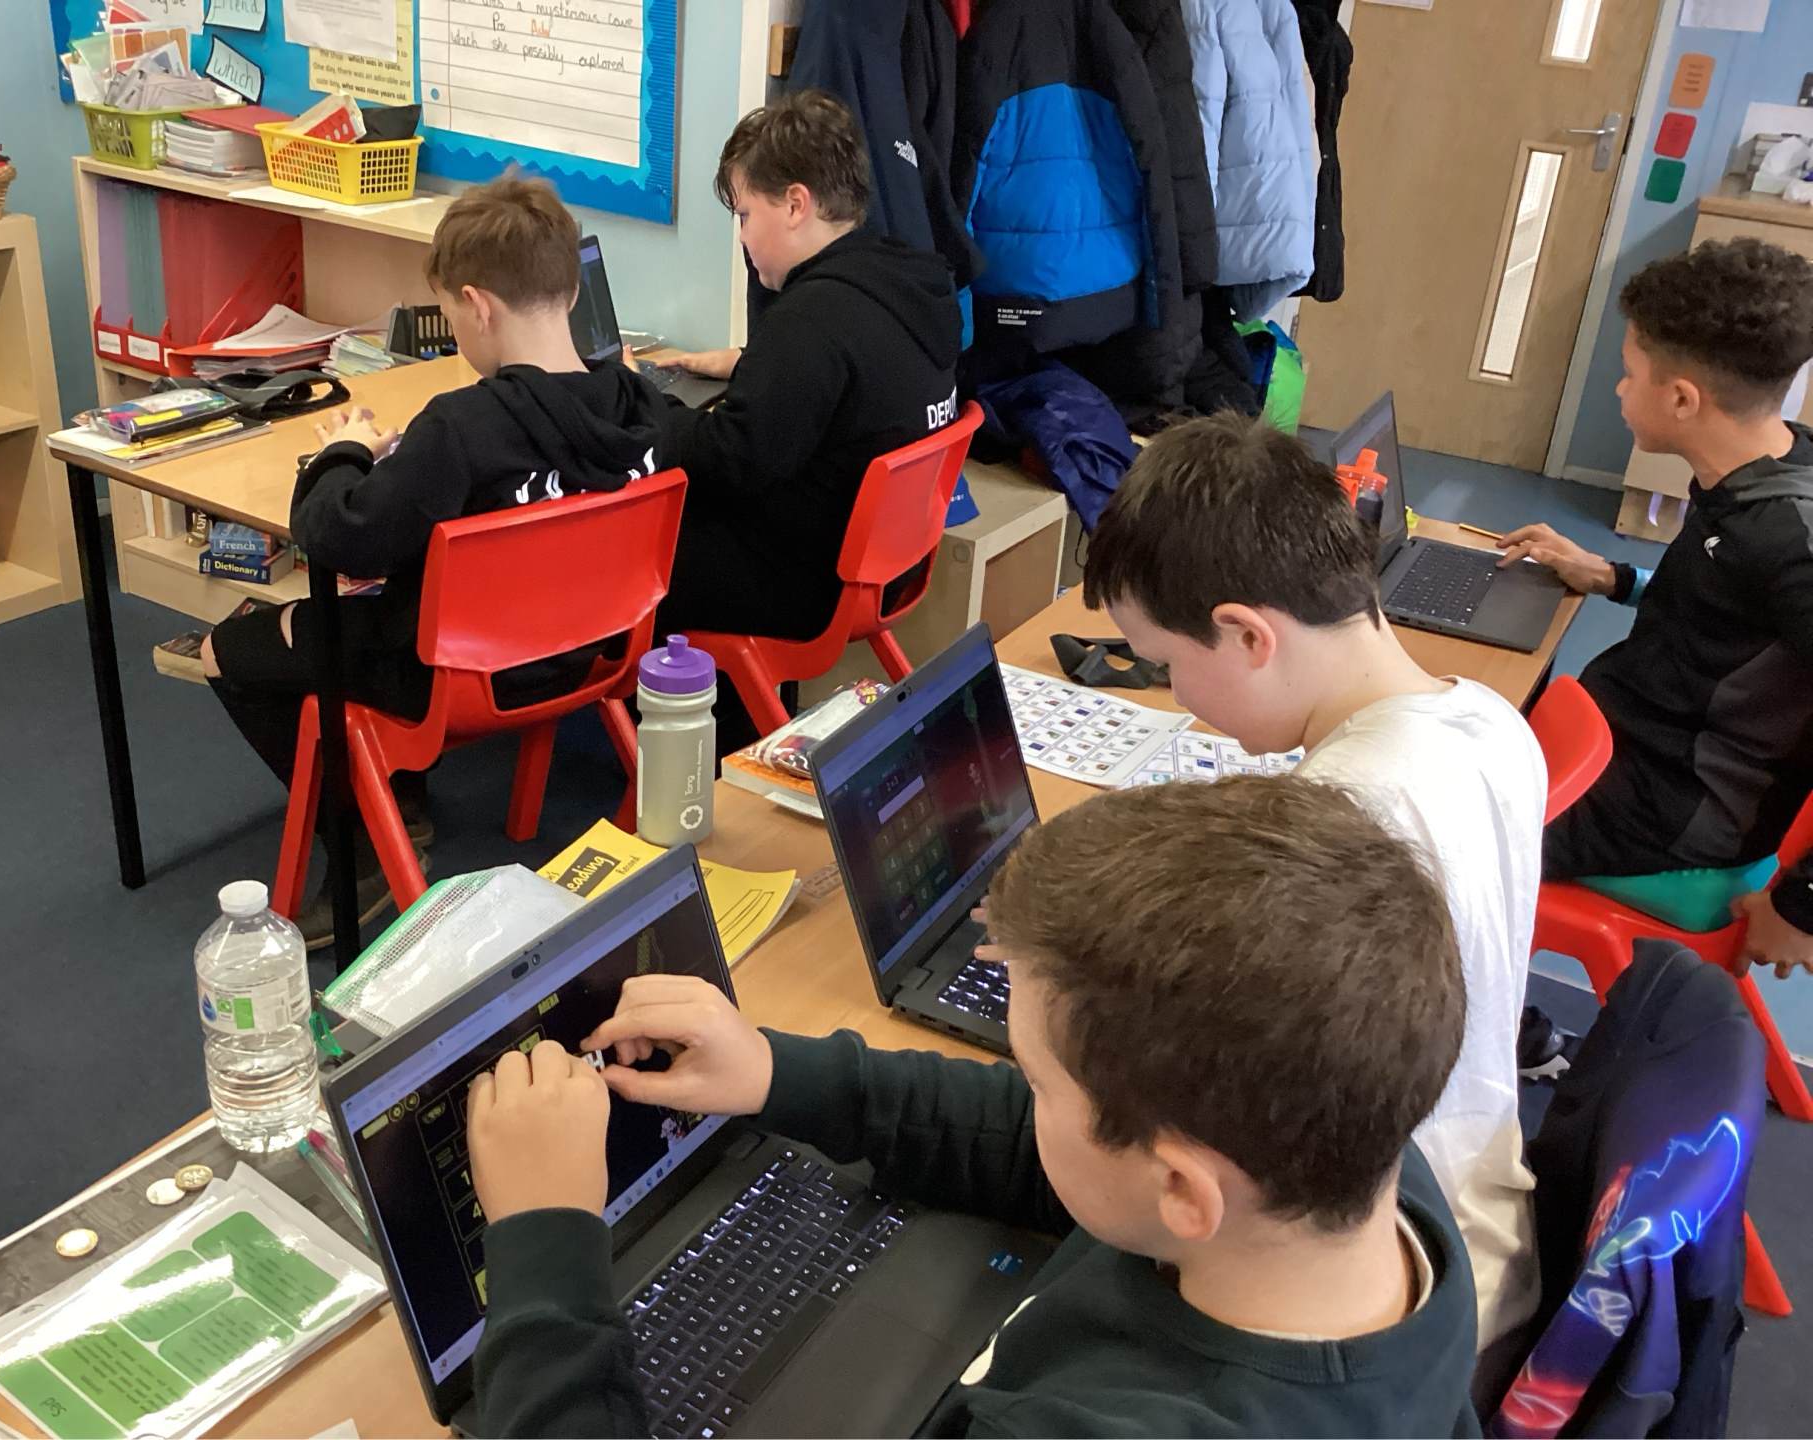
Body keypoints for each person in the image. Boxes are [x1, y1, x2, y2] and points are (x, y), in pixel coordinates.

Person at [465, 779, 1480, 1436]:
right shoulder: (1360, 1181)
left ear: (1182, 1189)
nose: (1020, 1098)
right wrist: (777, 1074)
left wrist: (545, 1241)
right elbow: (1048, 1149)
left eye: (1037, 1080)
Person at [1080, 413, 1547, 1382]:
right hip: (1479, 1209)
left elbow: (1236, 1090)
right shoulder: (1487, 717)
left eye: (1168, 664)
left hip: (1389, 1286)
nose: (1174, 694)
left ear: (1248, 634)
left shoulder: (1342, 820)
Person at [203, 175, 670, 946]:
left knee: (233, 646)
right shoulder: (640, 403)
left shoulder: (461, 426)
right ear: (568, 287)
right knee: (369, 608)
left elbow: (336, 536)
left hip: (457, 681)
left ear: (478, 306)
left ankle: (364, 842)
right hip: (592, 654)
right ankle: (400, 797)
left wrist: (346, 452)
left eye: (452, 316)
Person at [1498, 238, 1813, 981]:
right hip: (1633, 746)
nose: (1618, 388)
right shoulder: (1771, 464)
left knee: (1412, 834)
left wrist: (1802, 906)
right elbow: (1737, 615)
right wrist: (1613, 577)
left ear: (1681, 399)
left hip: (1671, 809)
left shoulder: (1790, 541)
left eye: (1629, 371)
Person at [652, 89, 963, 650]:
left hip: (807, 583)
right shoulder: (905, 284)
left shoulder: (811, 319)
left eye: (746, 215)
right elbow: (858, 386)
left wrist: (648, 406)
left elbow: (730, 461)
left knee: (631, 546)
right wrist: (752, 363)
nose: (743, 237)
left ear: (796, 204)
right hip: (889, 566)